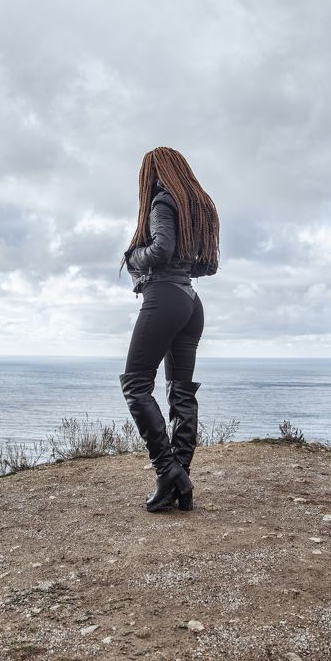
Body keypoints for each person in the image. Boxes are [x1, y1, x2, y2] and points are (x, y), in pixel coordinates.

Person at [118, 147, 220, 513]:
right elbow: (209, 266)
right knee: (181, 391)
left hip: (164, 298)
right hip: (191, 302)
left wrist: (132, 257)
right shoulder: (200, 207)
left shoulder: (162, 200)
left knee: (135, 384)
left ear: (153, 173)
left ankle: (168, 472)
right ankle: (181, 482)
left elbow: (160, 250)